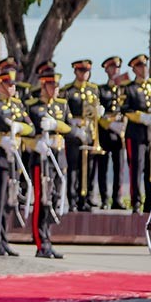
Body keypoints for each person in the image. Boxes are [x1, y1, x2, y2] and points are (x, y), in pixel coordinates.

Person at [0, 68, 35, 256]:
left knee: (8, 200)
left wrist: (20, 128)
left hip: (14, 156)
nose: (12, 88)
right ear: (0, 85)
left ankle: (4, 238)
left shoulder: (18, 105)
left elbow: (32, 129)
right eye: (8, 84)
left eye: (13, 85)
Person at [26, 67, 69, 258]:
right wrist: (36, 144)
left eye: (57, 85)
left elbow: (69, 128)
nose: (56, 89)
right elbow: (27, 134)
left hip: (58, 158)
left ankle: (48, 239)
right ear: (44, 86)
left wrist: (56, 125)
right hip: (41, 159)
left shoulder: (62, 106)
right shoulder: (33, 107)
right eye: (52, 85)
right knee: (42, 200)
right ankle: (40, 242)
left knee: (53, 200)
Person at [61, 59, 100, 211]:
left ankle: (86, 198)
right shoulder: (68, 91)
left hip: (89, 133)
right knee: (73, 167)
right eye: (81, 71)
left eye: (87, 71)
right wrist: (74, 124)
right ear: (75, 71)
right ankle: (72, 199)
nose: (84, 74)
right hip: (75, 134)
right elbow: (65, 113)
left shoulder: (93, 89)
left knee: (88, 167)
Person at [97, 55, 127, 209]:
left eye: (117, 67)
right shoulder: (101, 90)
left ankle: (117, 199)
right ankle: (104, 199)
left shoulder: (124, 89)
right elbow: (97, 113)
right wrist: (109, 124)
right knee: (102, 167)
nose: (115, 70)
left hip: (120, 133)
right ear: (106, 70)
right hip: (105, 132)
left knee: (119, 167)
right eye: (112, 67)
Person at [123, 54, 151, 213]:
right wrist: (142, 117)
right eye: (140, 66)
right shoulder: (130, 88)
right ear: (134, 69)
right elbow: (125, 109)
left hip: (150, 135)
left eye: (145, 65)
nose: (144, 68)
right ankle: (136, 202)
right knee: (136, 168)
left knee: (150, 169)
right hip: (136, 134)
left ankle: (149, 202)